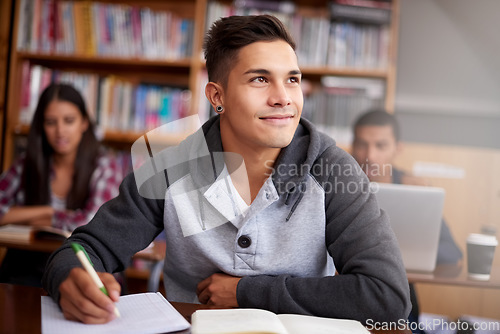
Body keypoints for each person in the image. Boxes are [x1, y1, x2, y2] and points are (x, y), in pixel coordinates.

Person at [42, 15, 410, 325]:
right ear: (217, 97)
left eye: (292, 79)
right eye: (260, 79)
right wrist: (68, 277)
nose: (283, 97)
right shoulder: (174, 168)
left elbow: (387, 295)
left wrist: (246, 292)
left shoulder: (331, 169)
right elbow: (85, 248)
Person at [0, 83, 126, 286]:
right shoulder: (26, 163)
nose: (60, 131)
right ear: (41, 125)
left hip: (83, 270)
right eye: (51, 122)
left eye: (69, 121)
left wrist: (31, 216)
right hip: (24, 270)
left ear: (84, 123)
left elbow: (93, 223)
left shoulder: (104, 165)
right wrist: (47, 211)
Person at [351, 109, 463, 333]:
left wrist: (396, 253)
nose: (370, 156)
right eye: (362, 144)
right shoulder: (339, 185)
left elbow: (452, 253)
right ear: (352, 145)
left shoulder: (414, 190)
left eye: (381, 146)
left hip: (397, 304)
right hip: (347, 296)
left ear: (397, 148)